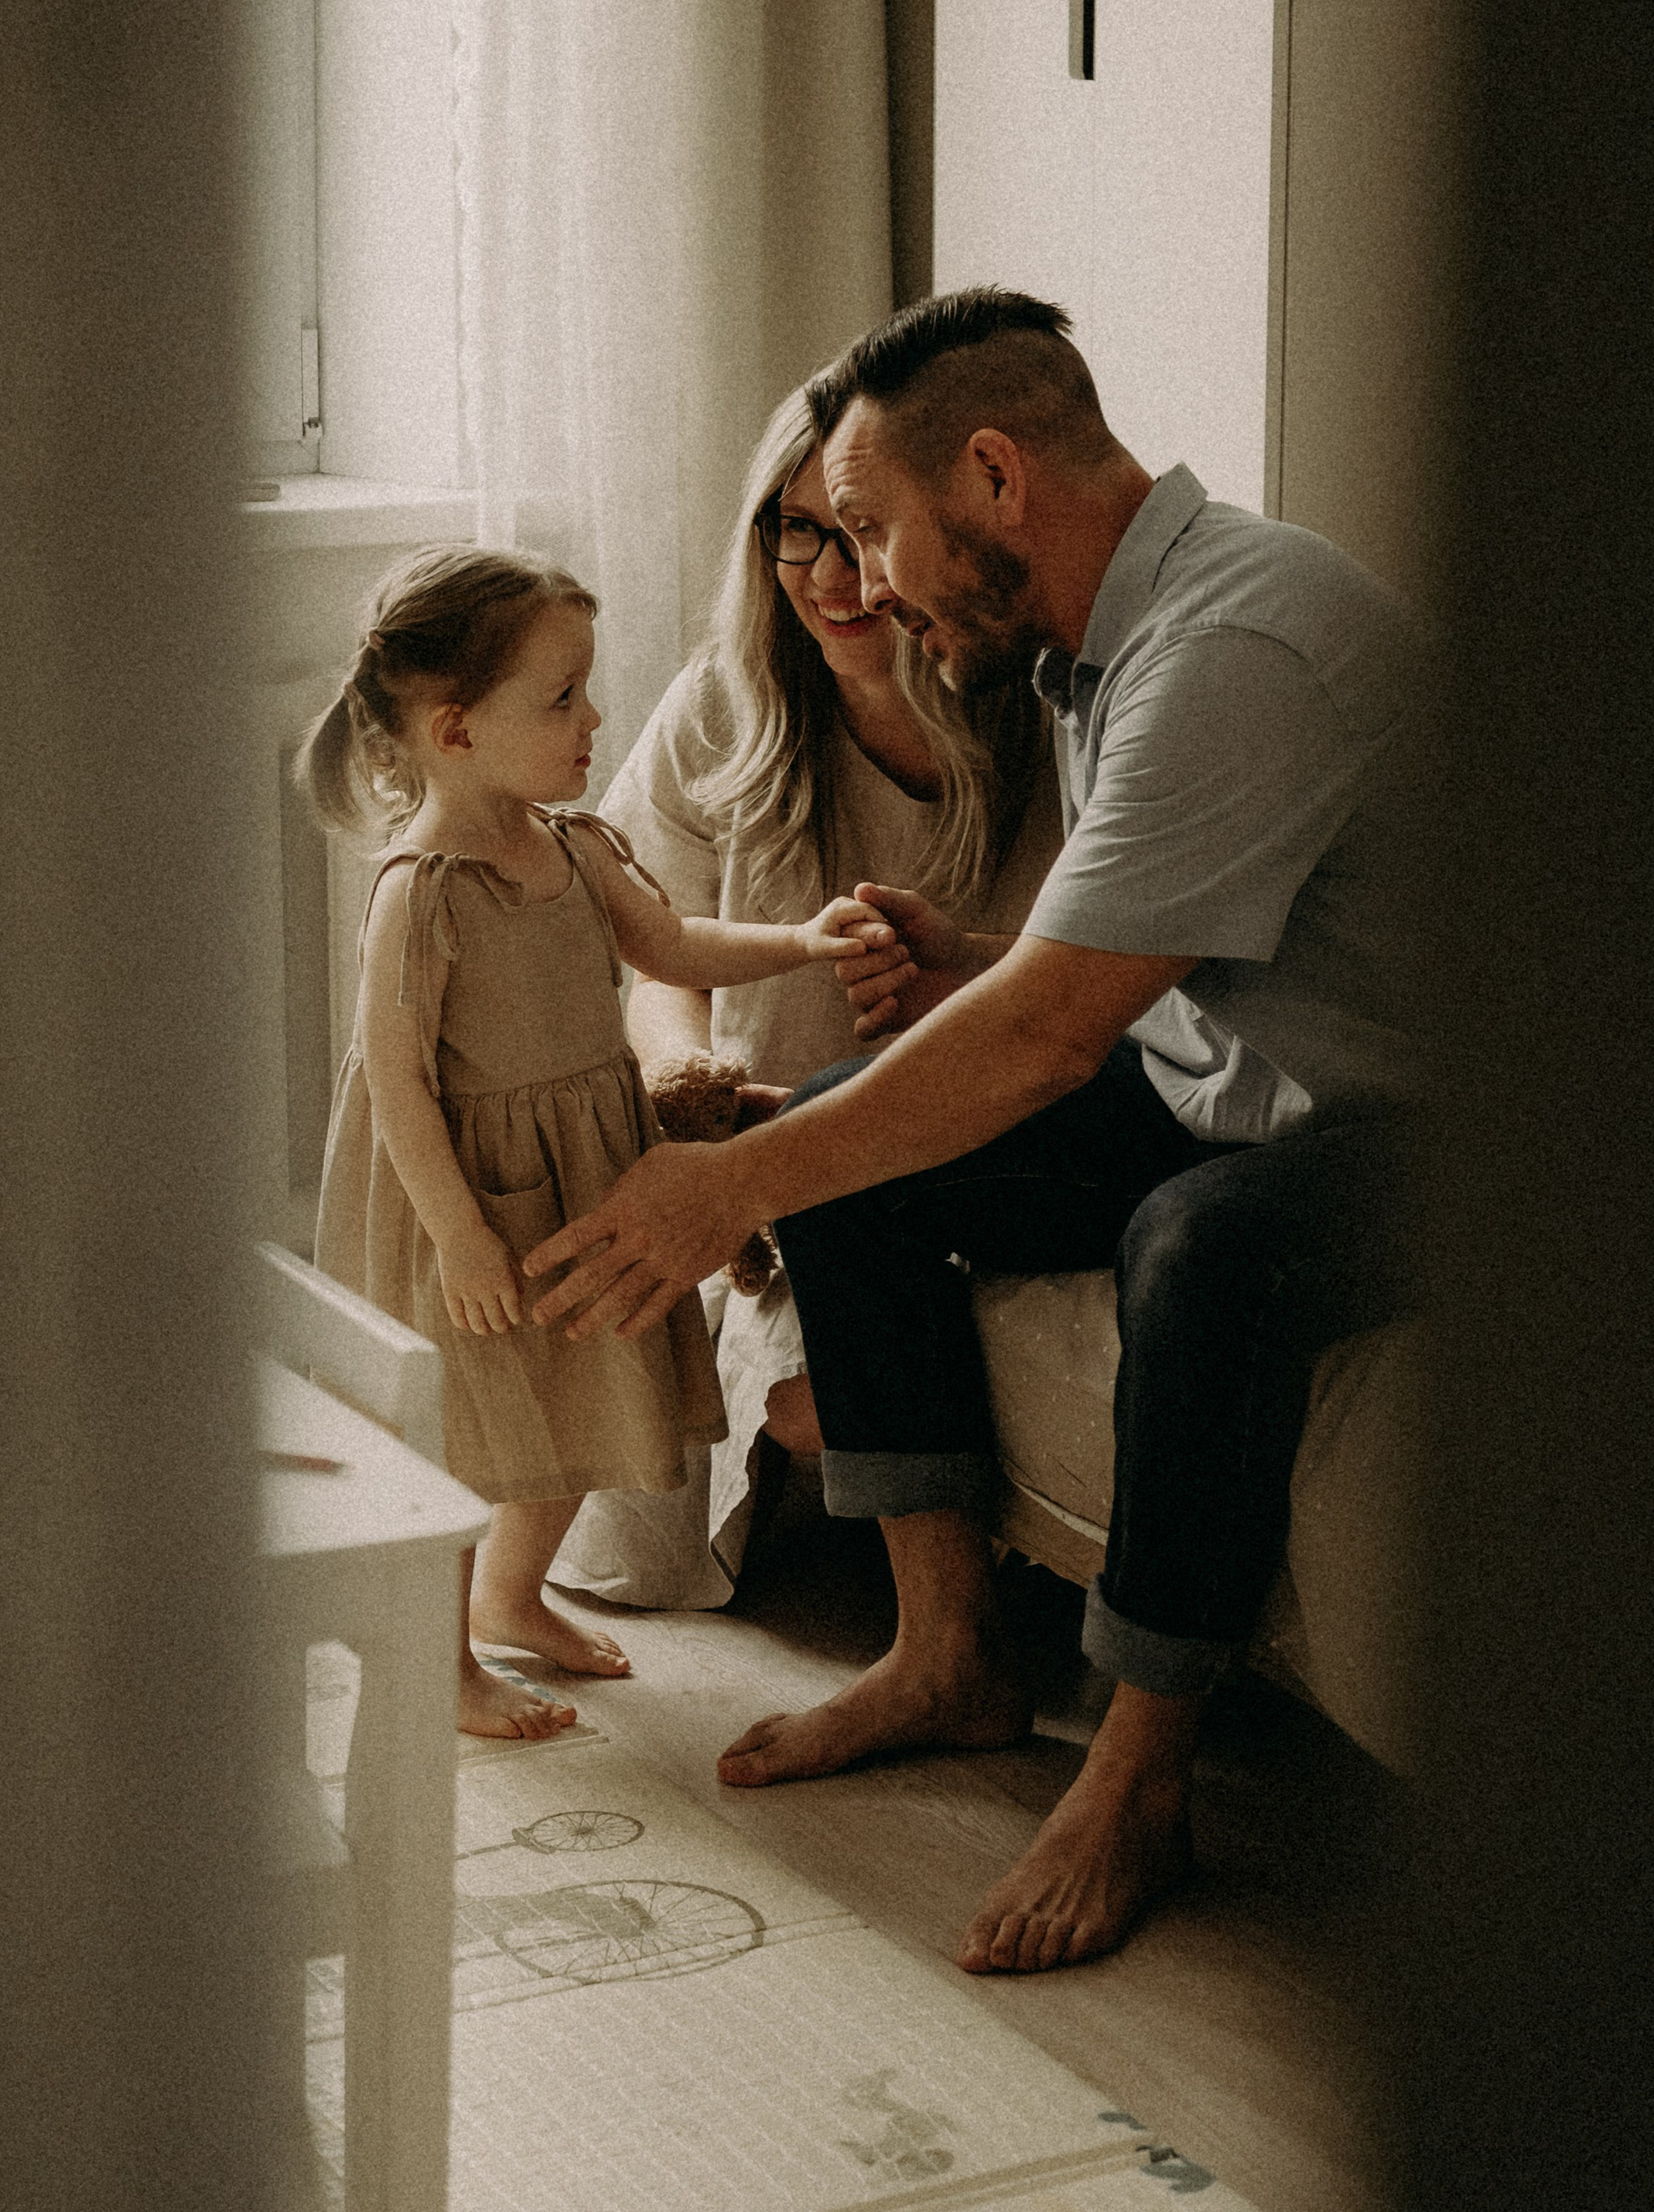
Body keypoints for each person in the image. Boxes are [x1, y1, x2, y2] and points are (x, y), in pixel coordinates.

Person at [523, 287, 1433, 1960]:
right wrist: (984, 962)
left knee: (1194, 1244)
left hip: (1432, 1120)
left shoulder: (1231, 644)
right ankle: (946, 1652)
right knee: (847, 1142)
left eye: (872, 527)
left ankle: (1141, 1772)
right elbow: (1151, 955)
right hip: (1237, 1077)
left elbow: (1043, 1045)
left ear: (996, 479)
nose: (859, 580)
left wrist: (719, 1185)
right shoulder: (1106, 642)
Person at [296, 543, 895, 1740]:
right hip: (464, 1197)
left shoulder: (574, 848)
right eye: (561, 697)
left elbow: (674, 949)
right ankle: (440, 1654)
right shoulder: (422, 889)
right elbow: (404, 1086)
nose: (595, 716)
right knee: (473, 1429)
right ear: (456, 732)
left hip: (578, 1174)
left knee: (575, 1394)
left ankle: (515, 1597)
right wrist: (460, 1238)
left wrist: (803, 944)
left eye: (586, 689)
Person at [552, 385, 1061, 1613]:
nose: (832, 576)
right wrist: (697, 1094)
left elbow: (1065, 1004)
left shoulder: (1037, 710)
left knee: (818, 1399)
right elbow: (644, 955)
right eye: (797, 535)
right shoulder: (728, 703)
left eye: (860, 534)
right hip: (757, 1154)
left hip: (940, 1142)